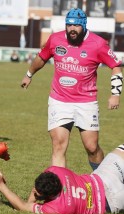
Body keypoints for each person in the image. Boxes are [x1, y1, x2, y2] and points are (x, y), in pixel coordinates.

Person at [20, 8, 123, 170]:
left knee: (91, 147)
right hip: (59, 100)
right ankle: (58, 192)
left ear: (84, 25)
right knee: (58, 145)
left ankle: (103, 179)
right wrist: (29, 74)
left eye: (76, 26)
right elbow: (42, 58)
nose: (72, 30)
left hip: (86, 102)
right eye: (69, 26)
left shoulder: (98, 44)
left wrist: (115, 94)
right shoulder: (55, 39)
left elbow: (116, 67)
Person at [0, 144, 124, 214]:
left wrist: (1, 185)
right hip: (103, 177)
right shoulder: (55, 170)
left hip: (111, 200)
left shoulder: (58, 208)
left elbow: (23, 207)